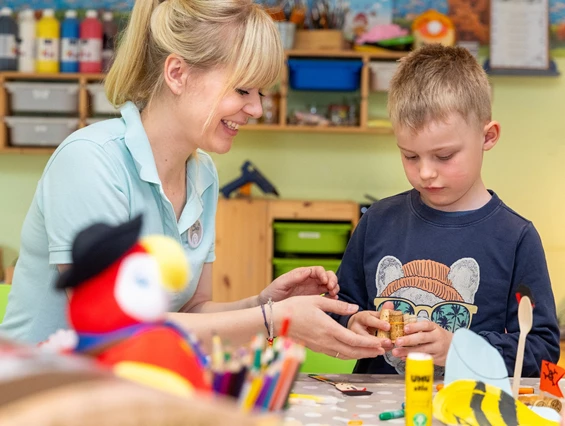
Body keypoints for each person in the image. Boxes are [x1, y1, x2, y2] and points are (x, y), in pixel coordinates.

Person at [0, 0, 386, 361]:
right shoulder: (90, 161)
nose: (256, 108)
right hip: (40, 394)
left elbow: (190, 311)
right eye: (243, 90)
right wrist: (273, 320)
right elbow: (110, 326)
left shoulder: (201, 173)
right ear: (177, 73)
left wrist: (263, 304)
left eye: (261, 92)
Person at [332, 44, 560, 376]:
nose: (425, 172)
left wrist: (458, 349)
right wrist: (352, 323)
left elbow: (541, 352)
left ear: (488, 137)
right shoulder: (377, 221)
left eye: (444, 156)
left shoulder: (516, 238)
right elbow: (337, 310)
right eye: (410, 156)